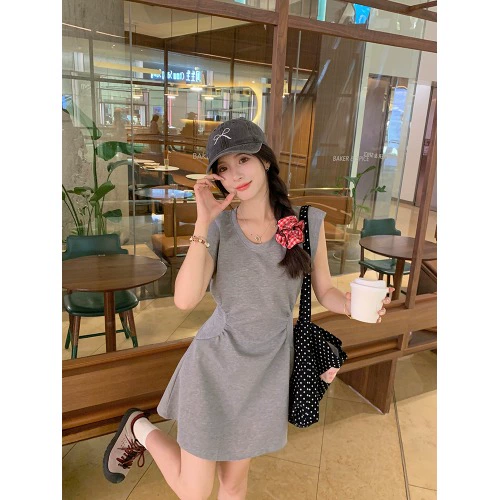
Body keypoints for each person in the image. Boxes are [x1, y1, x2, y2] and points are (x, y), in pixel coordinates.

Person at [103, 118, 393, 498]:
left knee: (234, 484)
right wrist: (203, 222)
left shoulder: (305, 221)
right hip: (214, 367)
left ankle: (139, 428)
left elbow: (325, 291)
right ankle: (139, 428)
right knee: (195, 492)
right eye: (223, 168)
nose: (235, 175)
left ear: (265, 160)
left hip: (267, 369)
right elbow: (185, 299)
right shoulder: (218, 227)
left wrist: (352, 305)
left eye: (243, 159)